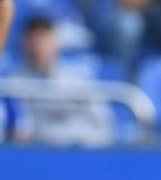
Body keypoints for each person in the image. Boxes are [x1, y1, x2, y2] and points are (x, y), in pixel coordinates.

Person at [9, 13, 116, 147]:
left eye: (44, 39)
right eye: (33, 40)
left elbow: (103, 126)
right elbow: (19, 130)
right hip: (34, 154)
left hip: (78, 152)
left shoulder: (78, 80)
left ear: (55, 42)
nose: (38, 46)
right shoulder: (13, 85)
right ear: (24, 43)